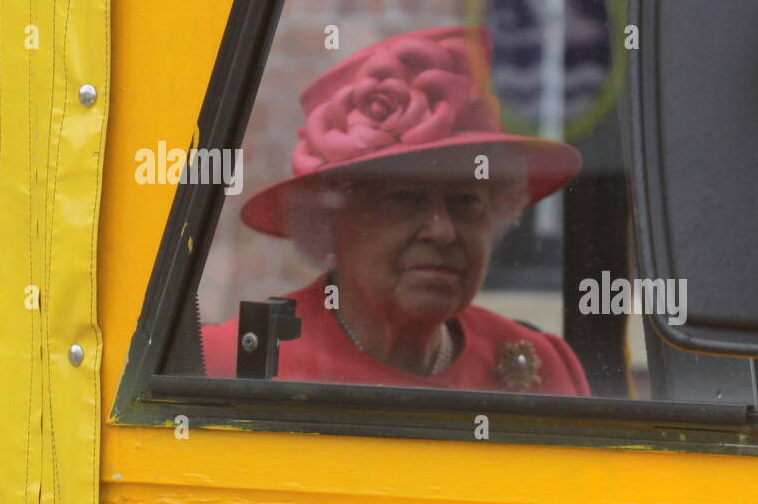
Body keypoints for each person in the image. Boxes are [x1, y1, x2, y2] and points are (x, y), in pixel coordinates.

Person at [202, 27, 589, 395]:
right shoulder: (231, 362)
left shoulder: (543, 369)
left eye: (466, 202)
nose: (442, 231)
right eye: (404, 199)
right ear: (329, 220)